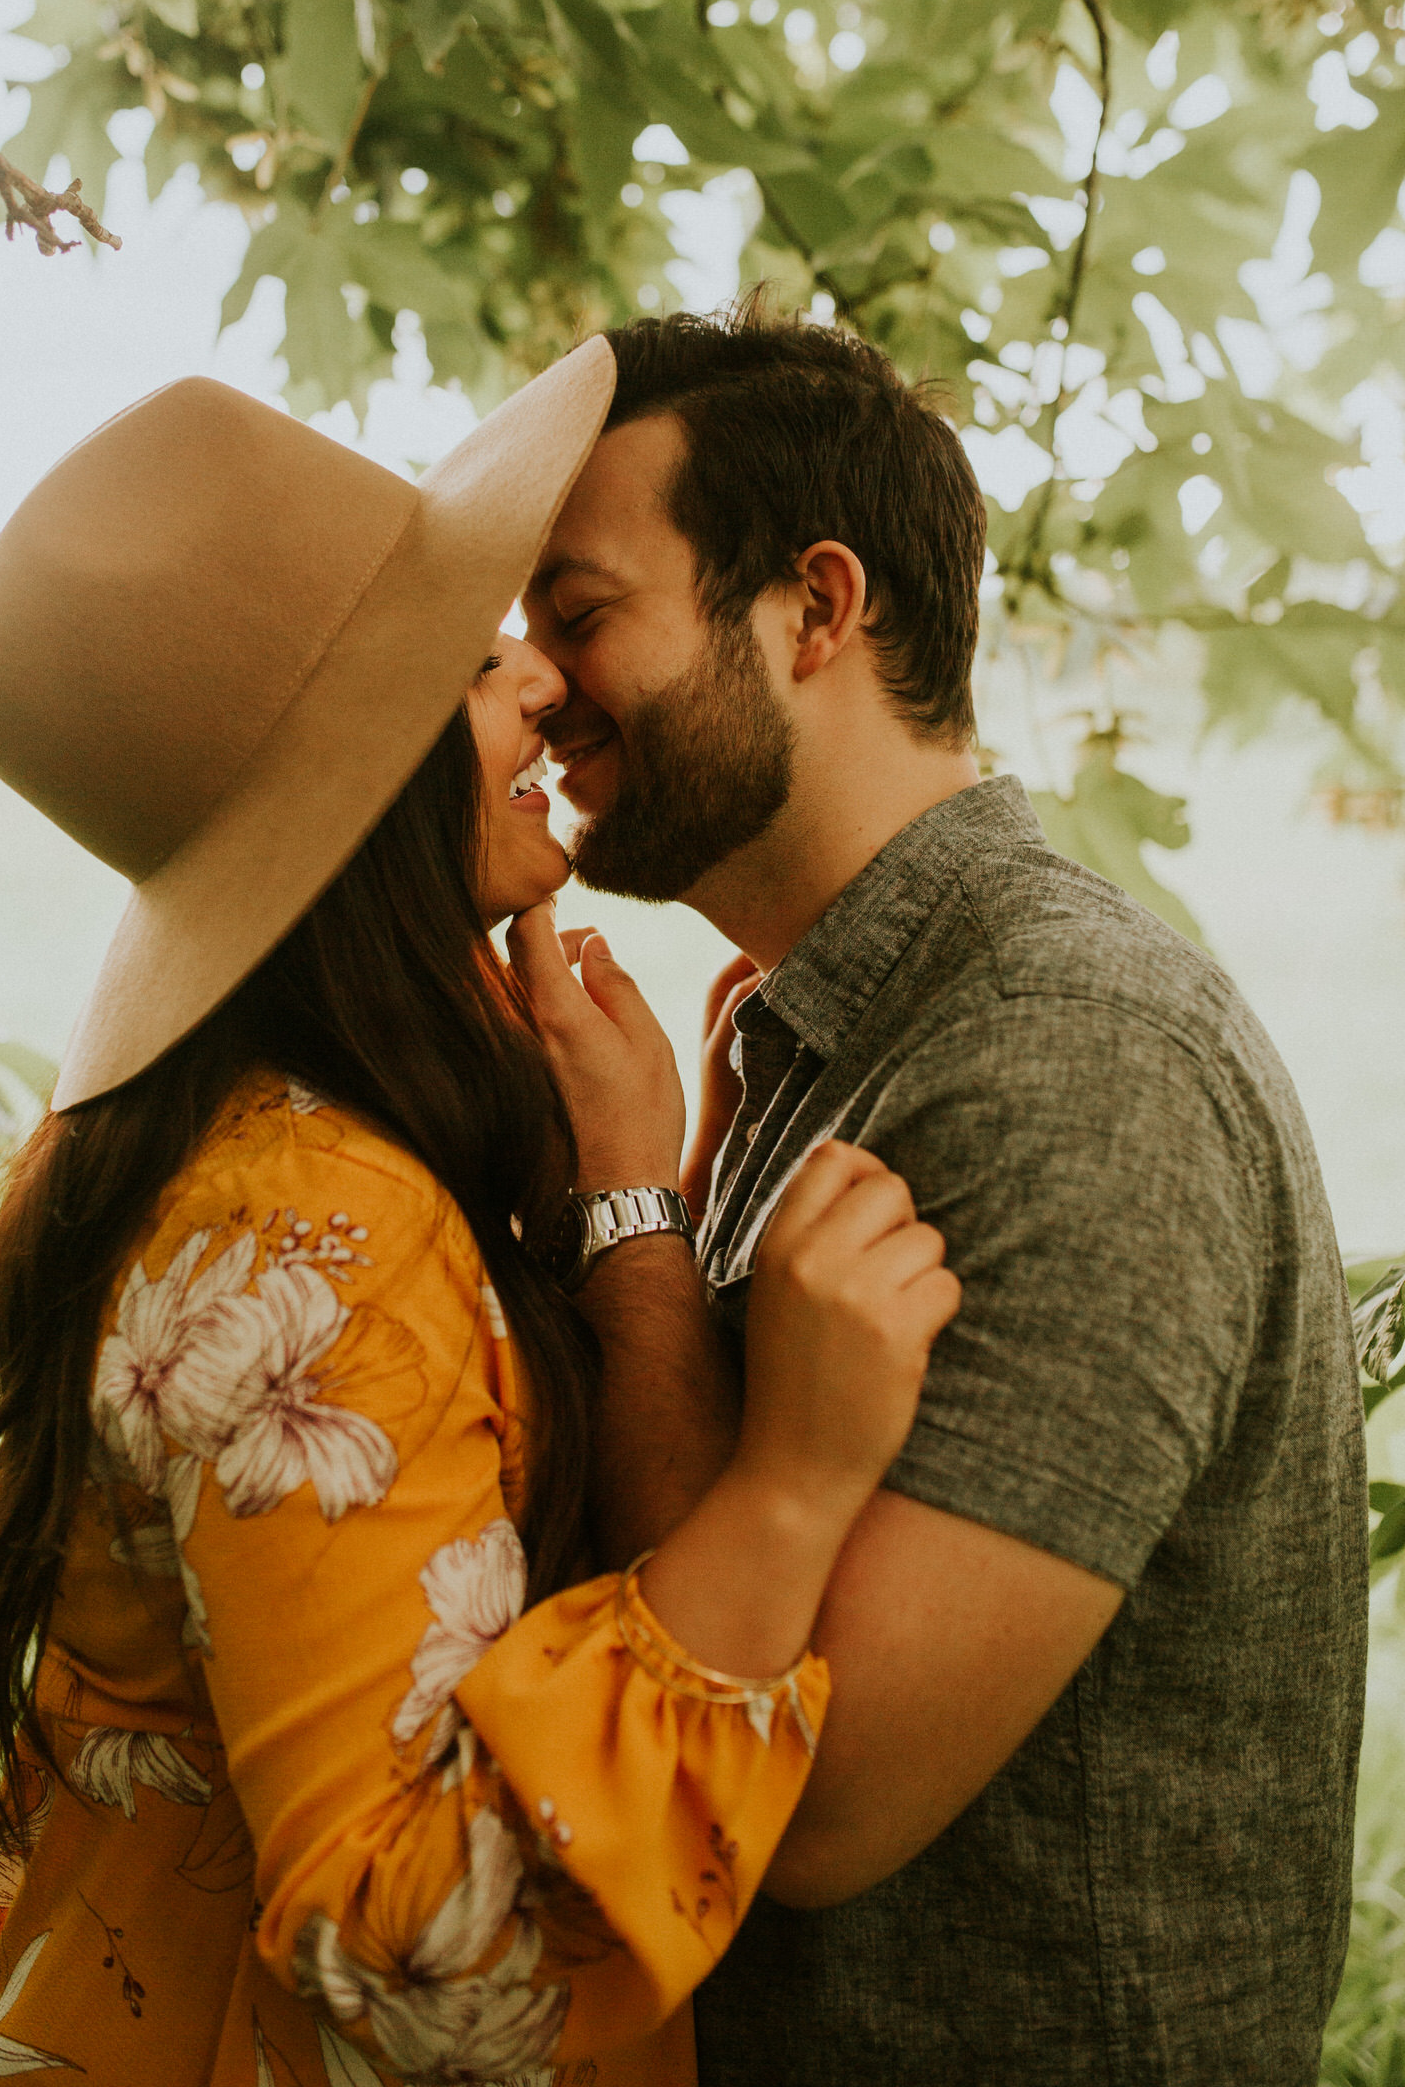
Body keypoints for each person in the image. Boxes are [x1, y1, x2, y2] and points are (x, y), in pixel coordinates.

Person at [0, 346, 961, 2087]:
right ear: (364, 771)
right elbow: (418, 1951)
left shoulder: (236, 1152)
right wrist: (790, 1486)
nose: (545, 691)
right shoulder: (306, 1227)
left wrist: (619, 1197)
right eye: (483, 661)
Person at [513, 297, 1369, 2087]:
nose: (531, 686)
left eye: (581, 617)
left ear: (816, 608)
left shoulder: (1078, 1063)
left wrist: (630, 1225)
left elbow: (811, 1809)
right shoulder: (821, 1030)